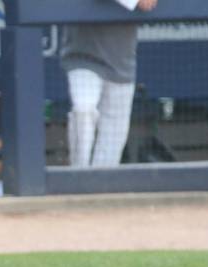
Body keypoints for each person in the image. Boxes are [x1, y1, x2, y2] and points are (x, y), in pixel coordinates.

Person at [60, 0, 157, 168]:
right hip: (83, 55)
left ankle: (100, 187)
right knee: (83, 109)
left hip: (121, 58)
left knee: (113, 138)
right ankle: (78, 173)